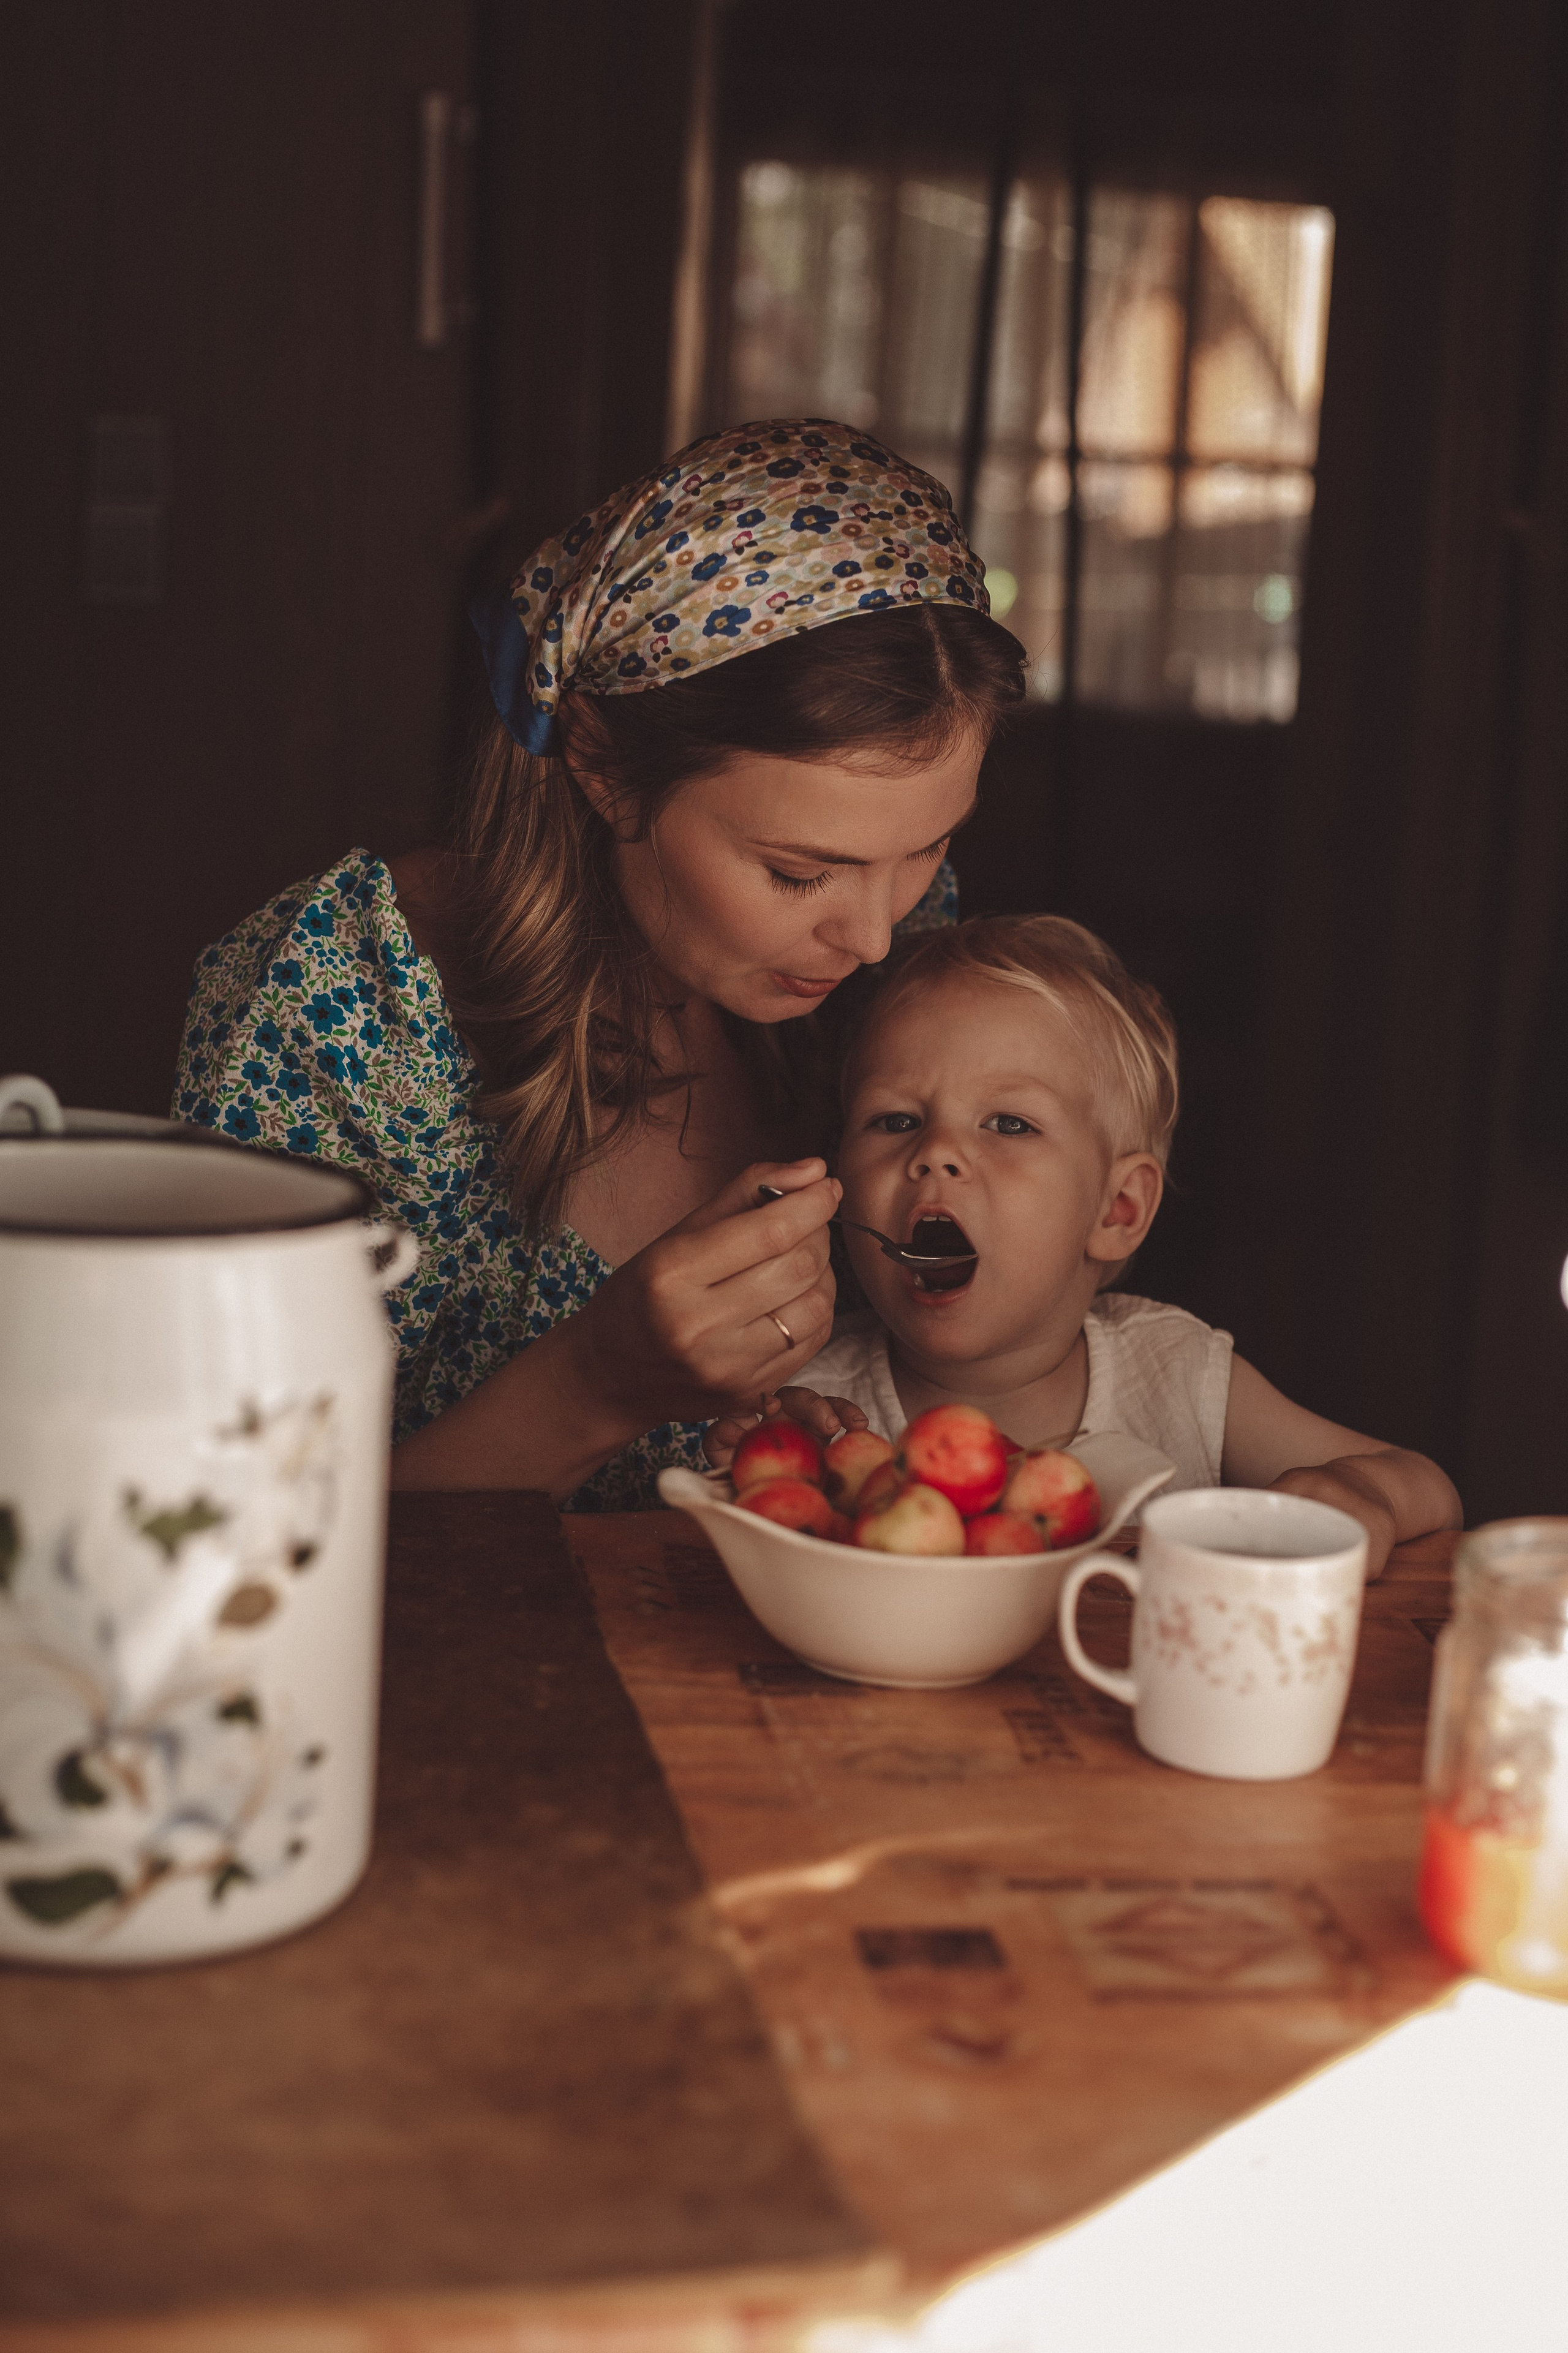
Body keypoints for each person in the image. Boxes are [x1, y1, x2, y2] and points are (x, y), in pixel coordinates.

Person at [173, 420, 1027, 1505]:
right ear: (601, 763)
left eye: (928, 847)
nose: (872, 939)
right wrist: (599, 1383)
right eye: (799, 873)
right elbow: (222, 1554)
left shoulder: (907, 936)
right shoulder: (335, 1008)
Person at [709, 914, 1461, 1576]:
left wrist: (1365, 1496)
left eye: (1009, 1123)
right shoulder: (818, 1405)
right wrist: (752, 1466)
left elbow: (1427, 1486)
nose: (936, 1153)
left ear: (1118, 1208)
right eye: (895, 1120)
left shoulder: (1178, 1375)